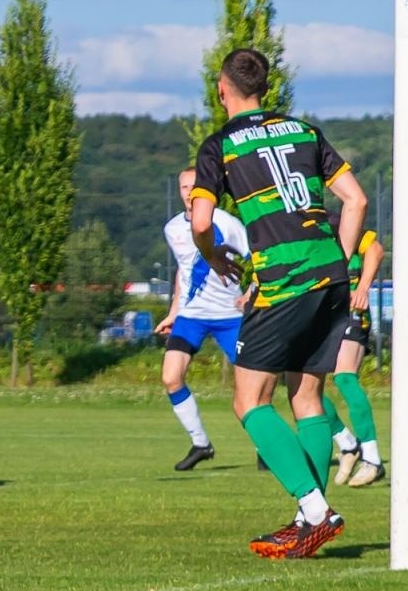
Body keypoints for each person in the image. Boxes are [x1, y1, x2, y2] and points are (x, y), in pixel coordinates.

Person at [190, 48, 367, 560]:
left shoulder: (220, 145)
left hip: (284, 281)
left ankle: (315, 509)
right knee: (307, 398)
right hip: (330, 275)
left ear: (222, 88)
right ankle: (308, 520)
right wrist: (341, 261)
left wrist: (213, 255)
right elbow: (355, 200)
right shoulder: (305, 132)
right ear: (265, 88)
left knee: (249, 401)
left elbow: (201, 222)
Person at [155, 167, 249, 471]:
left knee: (252, 389)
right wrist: (173, 312)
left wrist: (250, 295)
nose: (188, 192)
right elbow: (183, 271)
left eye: (194, 186)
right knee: (171, 377)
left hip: (230, 316)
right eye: (183, 187)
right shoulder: (172, 228)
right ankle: (200, 444)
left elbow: (258, 260)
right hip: (191, 316)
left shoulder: (228, 223)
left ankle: (266, 445)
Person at [329, 223, 386, 487]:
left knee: (344, 377)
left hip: (350, 313)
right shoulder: (292, 228)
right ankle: (347, 443)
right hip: (320, 316)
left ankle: (372, 459)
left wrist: (362, 288)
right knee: (302, 387)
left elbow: (375, 249)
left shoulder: (333, 221)